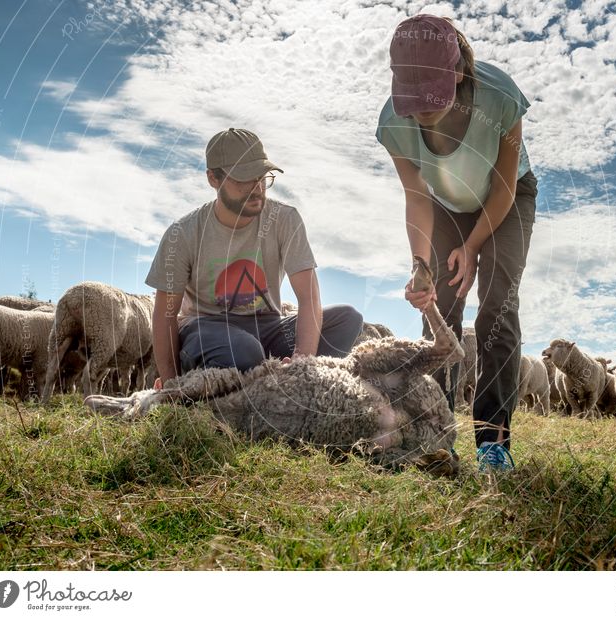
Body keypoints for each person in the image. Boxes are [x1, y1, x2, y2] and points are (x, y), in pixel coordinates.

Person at [376, 15, 538, 472]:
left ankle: (493, 442)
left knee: (496, 308)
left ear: (460, 73)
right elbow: (416, 198)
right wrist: (420, 266)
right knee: (441, 308)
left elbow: (504, 186)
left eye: (433, 95)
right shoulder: (394, 123)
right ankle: (437, 434)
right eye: (414, 97)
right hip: (444, 203)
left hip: (508, 199)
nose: (423, 109)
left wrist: (473, 247)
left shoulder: (500, 98)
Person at [146, 128, 363, 386]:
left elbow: (309, 297)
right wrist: (171, 382)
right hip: (207, 326)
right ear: (213, 178)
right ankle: (205, 384)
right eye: (243, 179)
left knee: (348, 319)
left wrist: (301, 361)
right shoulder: (182, 234)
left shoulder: (285, 220)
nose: (257, 188)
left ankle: (291, 387)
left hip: (269, 326)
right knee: (246, 351)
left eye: (262, 177)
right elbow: (165, 315)